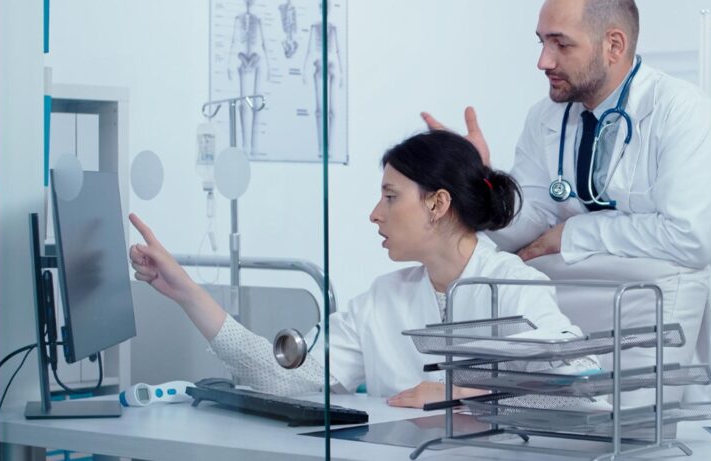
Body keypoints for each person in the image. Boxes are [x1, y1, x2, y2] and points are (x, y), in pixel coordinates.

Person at [422, 0, 711, 426]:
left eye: (561, 44)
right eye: (542, 42)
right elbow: (527, 229)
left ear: (613, 45)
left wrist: (571, 235)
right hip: (621, 325)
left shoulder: (682, 111)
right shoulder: (545, 118)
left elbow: (690, 238)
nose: (544, 61)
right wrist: (480, 185)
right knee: (623, 436)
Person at [129, 130, 589, 409]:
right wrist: (188, 292)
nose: (375, 213)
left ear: (437, 204)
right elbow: (288, 377)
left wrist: (463, 396)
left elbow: (581, 387)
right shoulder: (383, 299)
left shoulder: (514, 285)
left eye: (390, 197)